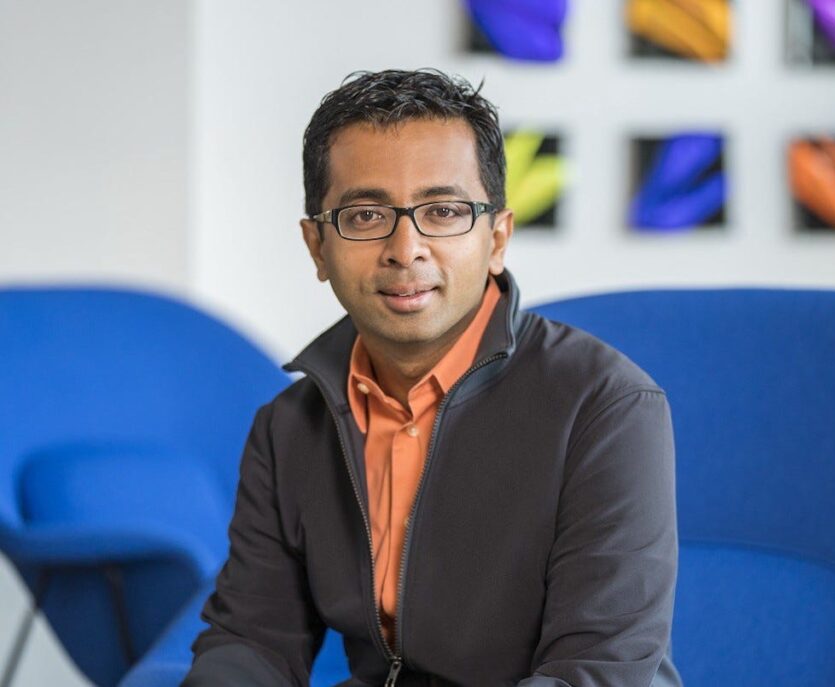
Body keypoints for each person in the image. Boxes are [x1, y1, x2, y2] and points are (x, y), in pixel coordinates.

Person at [184, 69, 680, 687]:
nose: (406, 248)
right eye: (365, 215)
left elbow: (598, 671)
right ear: (317, 247)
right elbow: (253, 639)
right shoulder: (289, 429)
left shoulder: (606, 407)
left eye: (443, 211)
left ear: (497, 238)